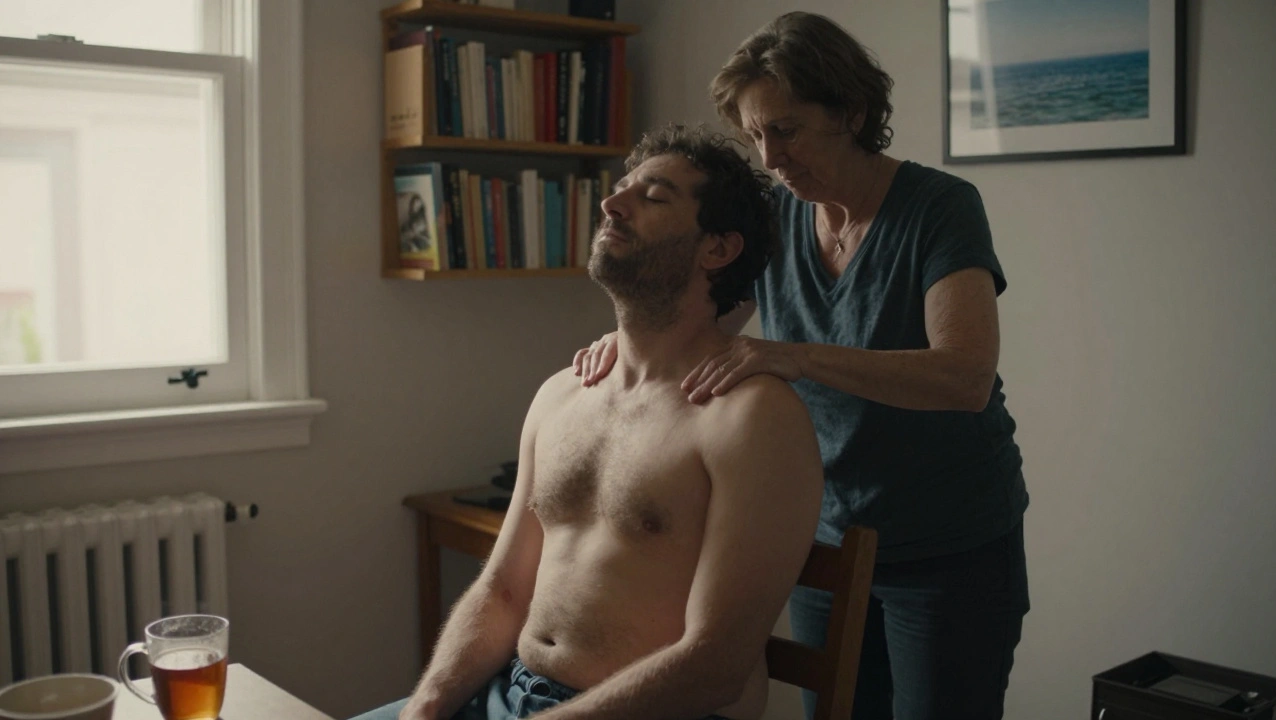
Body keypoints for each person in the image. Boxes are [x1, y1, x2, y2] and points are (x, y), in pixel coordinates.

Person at [572, 12, 1030, 720]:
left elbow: (964, 376)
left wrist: (793, 357)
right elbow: (700, 326)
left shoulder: (940, 209)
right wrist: (629, 345)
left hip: (950, 548)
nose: (770, 157)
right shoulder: (781, 217)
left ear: (851, 112)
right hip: (825, 539)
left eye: (785, 130)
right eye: (755, 136)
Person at [351, 124, 825, 720]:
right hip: (511, 693)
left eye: (653, 198)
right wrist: (426, 706)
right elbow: (501, 591)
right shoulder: (561, 395)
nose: (611, 203)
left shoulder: (752, 418)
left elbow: (715, 665)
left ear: (718, 249)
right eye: (621, 188)